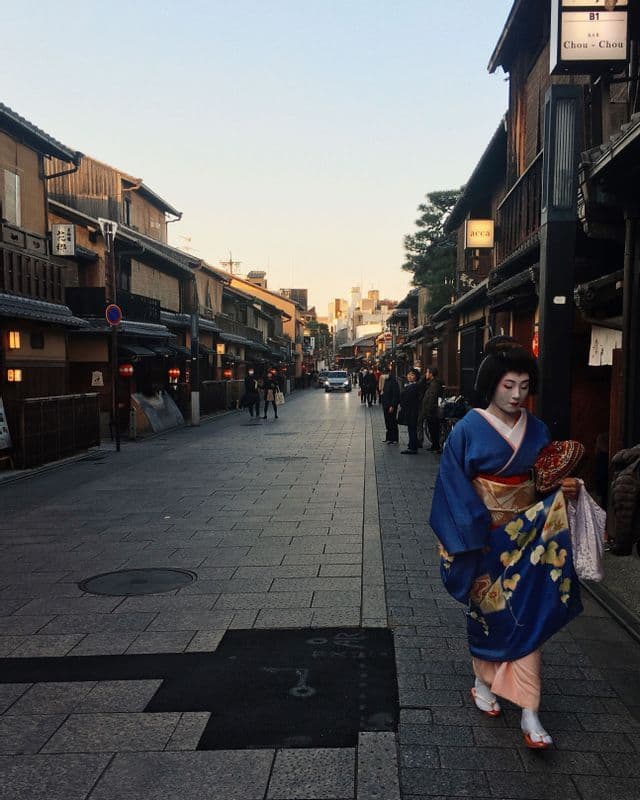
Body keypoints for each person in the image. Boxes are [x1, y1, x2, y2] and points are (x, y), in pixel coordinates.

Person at [429, 344, 582, 749]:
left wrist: (566, 490)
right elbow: (452, 488)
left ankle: (530, 712)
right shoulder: (467, 429)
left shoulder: (538, 430)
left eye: (524, 386)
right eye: (508, 385)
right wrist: (471, 536)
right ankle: (482, 681)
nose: (516, 395)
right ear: (491, 386)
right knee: (491, 615)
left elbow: (544, 482)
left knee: (528, 620)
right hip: (483, 540)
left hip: (530, 539)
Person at [422, 366, 444, 452]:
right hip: (431, 410)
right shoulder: (431, 383)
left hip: (432, 411)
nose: (426, 374)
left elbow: (432, 397)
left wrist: (429, 409)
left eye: (427, 372)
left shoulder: (434, 384)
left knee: (434, 429)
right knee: (432, 429)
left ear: (431, 374)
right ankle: (434, 445)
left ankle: (436, 445)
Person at [399, 368, 420, 454]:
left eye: (412, 375)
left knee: (412, 429)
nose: (409, 376)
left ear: (416, 377)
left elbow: (407, 399)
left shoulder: (413, 387)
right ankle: (411, 445)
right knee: (411, 428)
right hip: (410, 410)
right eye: (408, 374)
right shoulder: (410, 386)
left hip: (412, 411)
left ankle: (412, 447)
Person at [381, 367, 400, 444]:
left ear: (388, 373)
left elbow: (396, 394)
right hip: (386, 404)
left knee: (392, 421)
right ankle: (388, 438)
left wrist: (392, 405)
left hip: (391, 405)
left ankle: (394, 438)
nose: (383, 375)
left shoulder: (393, 382)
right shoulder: (386, 381)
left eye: (385, 374)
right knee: (387, 422)